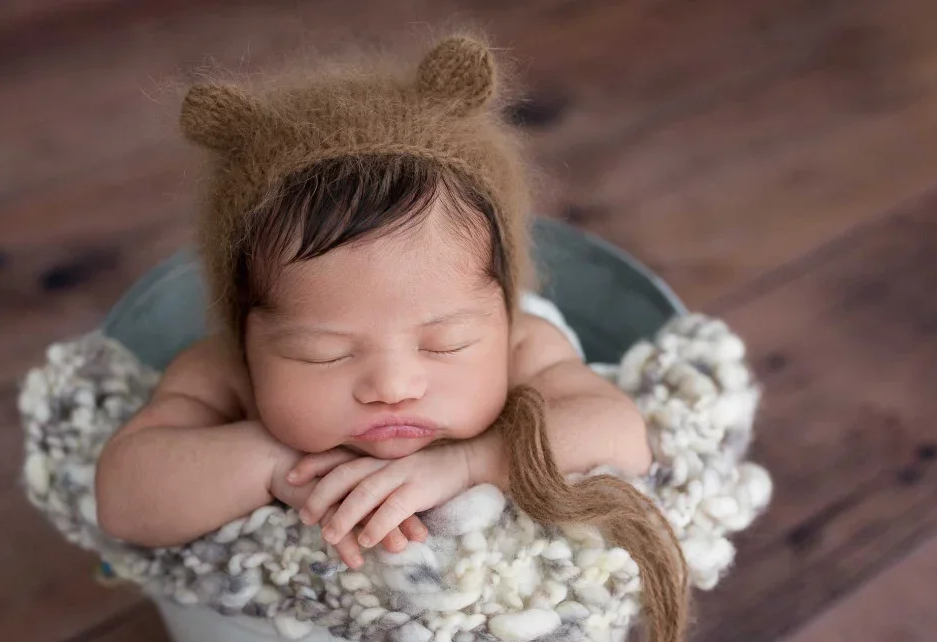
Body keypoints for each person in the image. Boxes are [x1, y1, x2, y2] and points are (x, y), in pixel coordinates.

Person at [95, 34, 652, 569]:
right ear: (245, 333)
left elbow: (621, 435)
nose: (392, 387)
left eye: (445, 343)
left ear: (503, 310)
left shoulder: (525, 344)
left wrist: (470, 462)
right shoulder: (223, 372)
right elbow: (123, 498)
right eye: (325, 353)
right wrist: (272, 464)